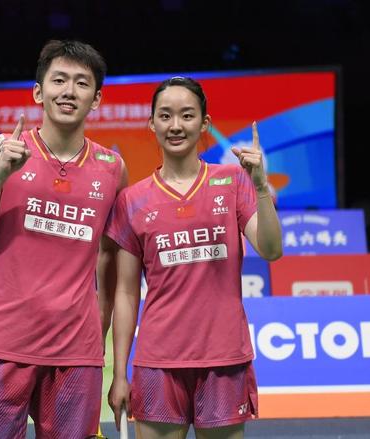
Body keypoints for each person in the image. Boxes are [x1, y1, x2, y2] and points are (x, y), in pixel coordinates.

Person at [0, 39, 127, 438]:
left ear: (96, 99)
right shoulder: (1, 149)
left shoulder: (112, 168)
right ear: (38, 91)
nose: (69, 91)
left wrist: (98, 332)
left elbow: (111, 257)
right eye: (59, 80)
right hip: (0, 343)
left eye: (82, 83)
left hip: (76, 353)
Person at [107, 77, 282, 439]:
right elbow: (125, 292)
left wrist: (260, 186)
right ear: (151, 123)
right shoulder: (132, 201)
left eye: (187, 115)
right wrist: (119, 373)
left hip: (224, 359)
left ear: (204, 123)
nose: (176, 125)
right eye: (165, 116)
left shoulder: (233, 182)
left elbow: (271, 249)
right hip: (158, 363)